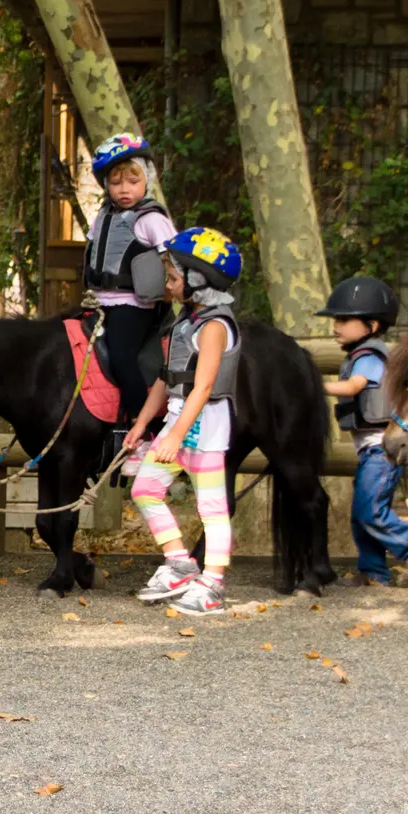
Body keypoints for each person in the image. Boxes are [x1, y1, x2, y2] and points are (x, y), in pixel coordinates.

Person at [125, 227, 244, 618]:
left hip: (205, 428)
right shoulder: (185, 322)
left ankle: (212, 585)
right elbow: (167, 377)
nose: (169, 286)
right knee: (144, 489)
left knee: (211, 509)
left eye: (174, 278)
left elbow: (205, 383)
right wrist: (144, 422)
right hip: (178, 421)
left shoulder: (214, 326)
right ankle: (179, 563)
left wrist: (176, 435)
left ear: (198, 280)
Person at [319, 276, 408, 587]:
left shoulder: (369, 356)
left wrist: (313, 385)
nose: (336, 326)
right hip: (370, 450)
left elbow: (354, 387)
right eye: (335, 319)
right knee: (361, 514)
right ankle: (373, 572)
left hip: (382, 451)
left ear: (371, 325)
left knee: (370, 510)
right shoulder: (360, 354)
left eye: (344, 319)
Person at [82, 134, 177, 449]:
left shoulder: (151, 219)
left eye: (133, 181)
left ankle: (143, 428)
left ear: (146, 181)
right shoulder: (103, 216)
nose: (124, 189)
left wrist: (173, 287)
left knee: (122, 358)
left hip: (134, 305)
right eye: (116, 182)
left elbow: (173, 256)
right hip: (99, 301)